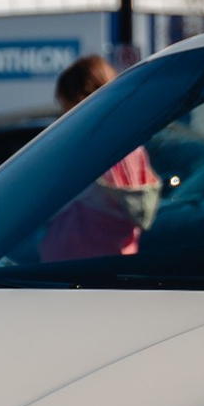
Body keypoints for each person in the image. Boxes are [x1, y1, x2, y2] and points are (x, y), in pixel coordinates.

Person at [37, 51, 161, 264]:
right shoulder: (132, 148)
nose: (65, 116)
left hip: (72, 272)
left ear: (83, 100)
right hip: (116, 265)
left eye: (67, 107)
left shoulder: (82, 150)